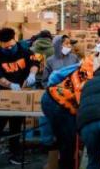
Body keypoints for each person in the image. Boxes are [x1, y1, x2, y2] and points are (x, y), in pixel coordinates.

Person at [0, 27, 39, 168]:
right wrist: (10, 85)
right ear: (1, 44)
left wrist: (32, 74)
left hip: (20, 95)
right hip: (1, 96)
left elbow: (34, 63)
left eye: (11, 46)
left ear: (15, 40)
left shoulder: (25, 51)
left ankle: (14, 154)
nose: (9, 49)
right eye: (6, 47)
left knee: (16, 128)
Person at [41, 36, 88, 169]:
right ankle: (57, 160)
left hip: (72, 100)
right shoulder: (50, 61)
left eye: (69, 44)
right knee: (60, 136)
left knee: (70, 137)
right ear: (57, 45)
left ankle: (68, 161)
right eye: (66, 44)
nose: (69, 46)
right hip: (56, 99)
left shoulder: (74, 58)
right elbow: (45, 81)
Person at [28, 30, 55, 152]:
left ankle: (44, 139)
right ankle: (50, 139)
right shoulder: (55, 50)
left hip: (35, 81)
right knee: (50, 110)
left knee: (39, 110)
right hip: (49, 82)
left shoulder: (31, 49)